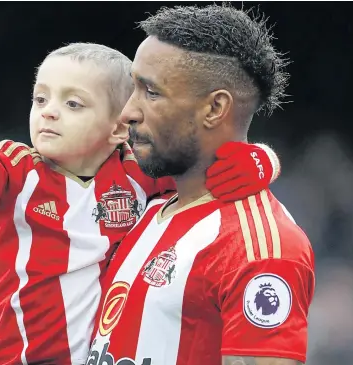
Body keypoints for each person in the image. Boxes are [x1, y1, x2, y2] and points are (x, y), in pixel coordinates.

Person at [0, 42, 280, 365]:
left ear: (117, 129)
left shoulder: (135, 171)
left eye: (73, 103)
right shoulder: (17, 168)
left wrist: (264, 160)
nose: (48, 112)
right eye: (41, 98)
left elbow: (208, 158)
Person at [87, 5, 314, 365]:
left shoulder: (259, 247)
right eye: (134, 88)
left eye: (152, 92)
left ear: (214, 108)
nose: (127, 111)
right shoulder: (150, 209)